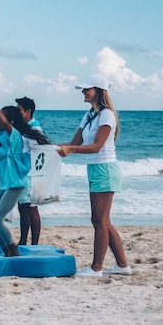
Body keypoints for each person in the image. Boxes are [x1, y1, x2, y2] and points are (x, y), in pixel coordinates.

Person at [57, 74, 131, 276]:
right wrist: (49, 148)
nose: (83, 91)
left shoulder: (107, 115)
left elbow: (97, 147)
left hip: (105, 169)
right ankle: (122, 266)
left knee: (99, 221)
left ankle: (96, 268)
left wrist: (71, 150)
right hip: (95, 169)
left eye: (87, 89)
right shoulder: (90, 115)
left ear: (98, 91)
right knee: (103, 221)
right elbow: (76, 142)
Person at [0, 90, 51, 257]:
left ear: (10, 122)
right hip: (4, 184)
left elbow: (4, 122)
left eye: (1, 117)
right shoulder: (0, 136)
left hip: (16, 183)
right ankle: (8, 253)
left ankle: (14, 252)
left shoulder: (15, 136)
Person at [15, 96, 44, 245]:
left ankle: (34, 244)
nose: (17, 113)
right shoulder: (25, 128)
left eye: (19, 110)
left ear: (28, 111)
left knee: (31, 208)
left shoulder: (34, 129)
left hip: (30, 174)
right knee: (22, 207)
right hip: (23, 173)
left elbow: (38, 153)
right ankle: (23, 241)